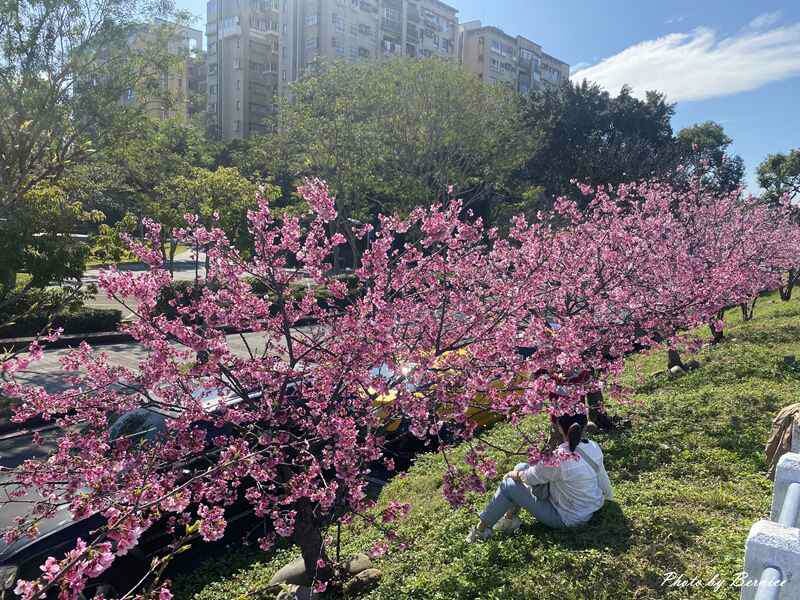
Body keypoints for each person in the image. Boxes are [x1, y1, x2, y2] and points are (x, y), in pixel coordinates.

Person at [467, 411, 613, 542]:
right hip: (588, 509)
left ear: (560, 427)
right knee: (521, 467)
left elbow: (530, 478)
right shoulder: (593, 446)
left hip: (566, 518)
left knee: (508, 485)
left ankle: (481, 531)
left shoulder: (559, 458)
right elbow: (601, 475)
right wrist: (609, 497)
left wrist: (514, 475)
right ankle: (510, 520)